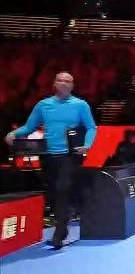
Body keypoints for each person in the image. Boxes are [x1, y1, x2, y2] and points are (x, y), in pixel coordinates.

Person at [4, 72, 97, 249]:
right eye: (60, 80)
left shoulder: (80, 105)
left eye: (67, 81)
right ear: (54, 83)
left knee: (62, 188)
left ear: (72, 85)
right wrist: (14, 133)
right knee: (53, 193)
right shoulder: (43, 105)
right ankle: (63, 223)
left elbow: (91, 127)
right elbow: (29, 127)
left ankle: (58, 234)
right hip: (47, 155)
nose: (64, 83)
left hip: (70, 155)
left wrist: (87, 145)